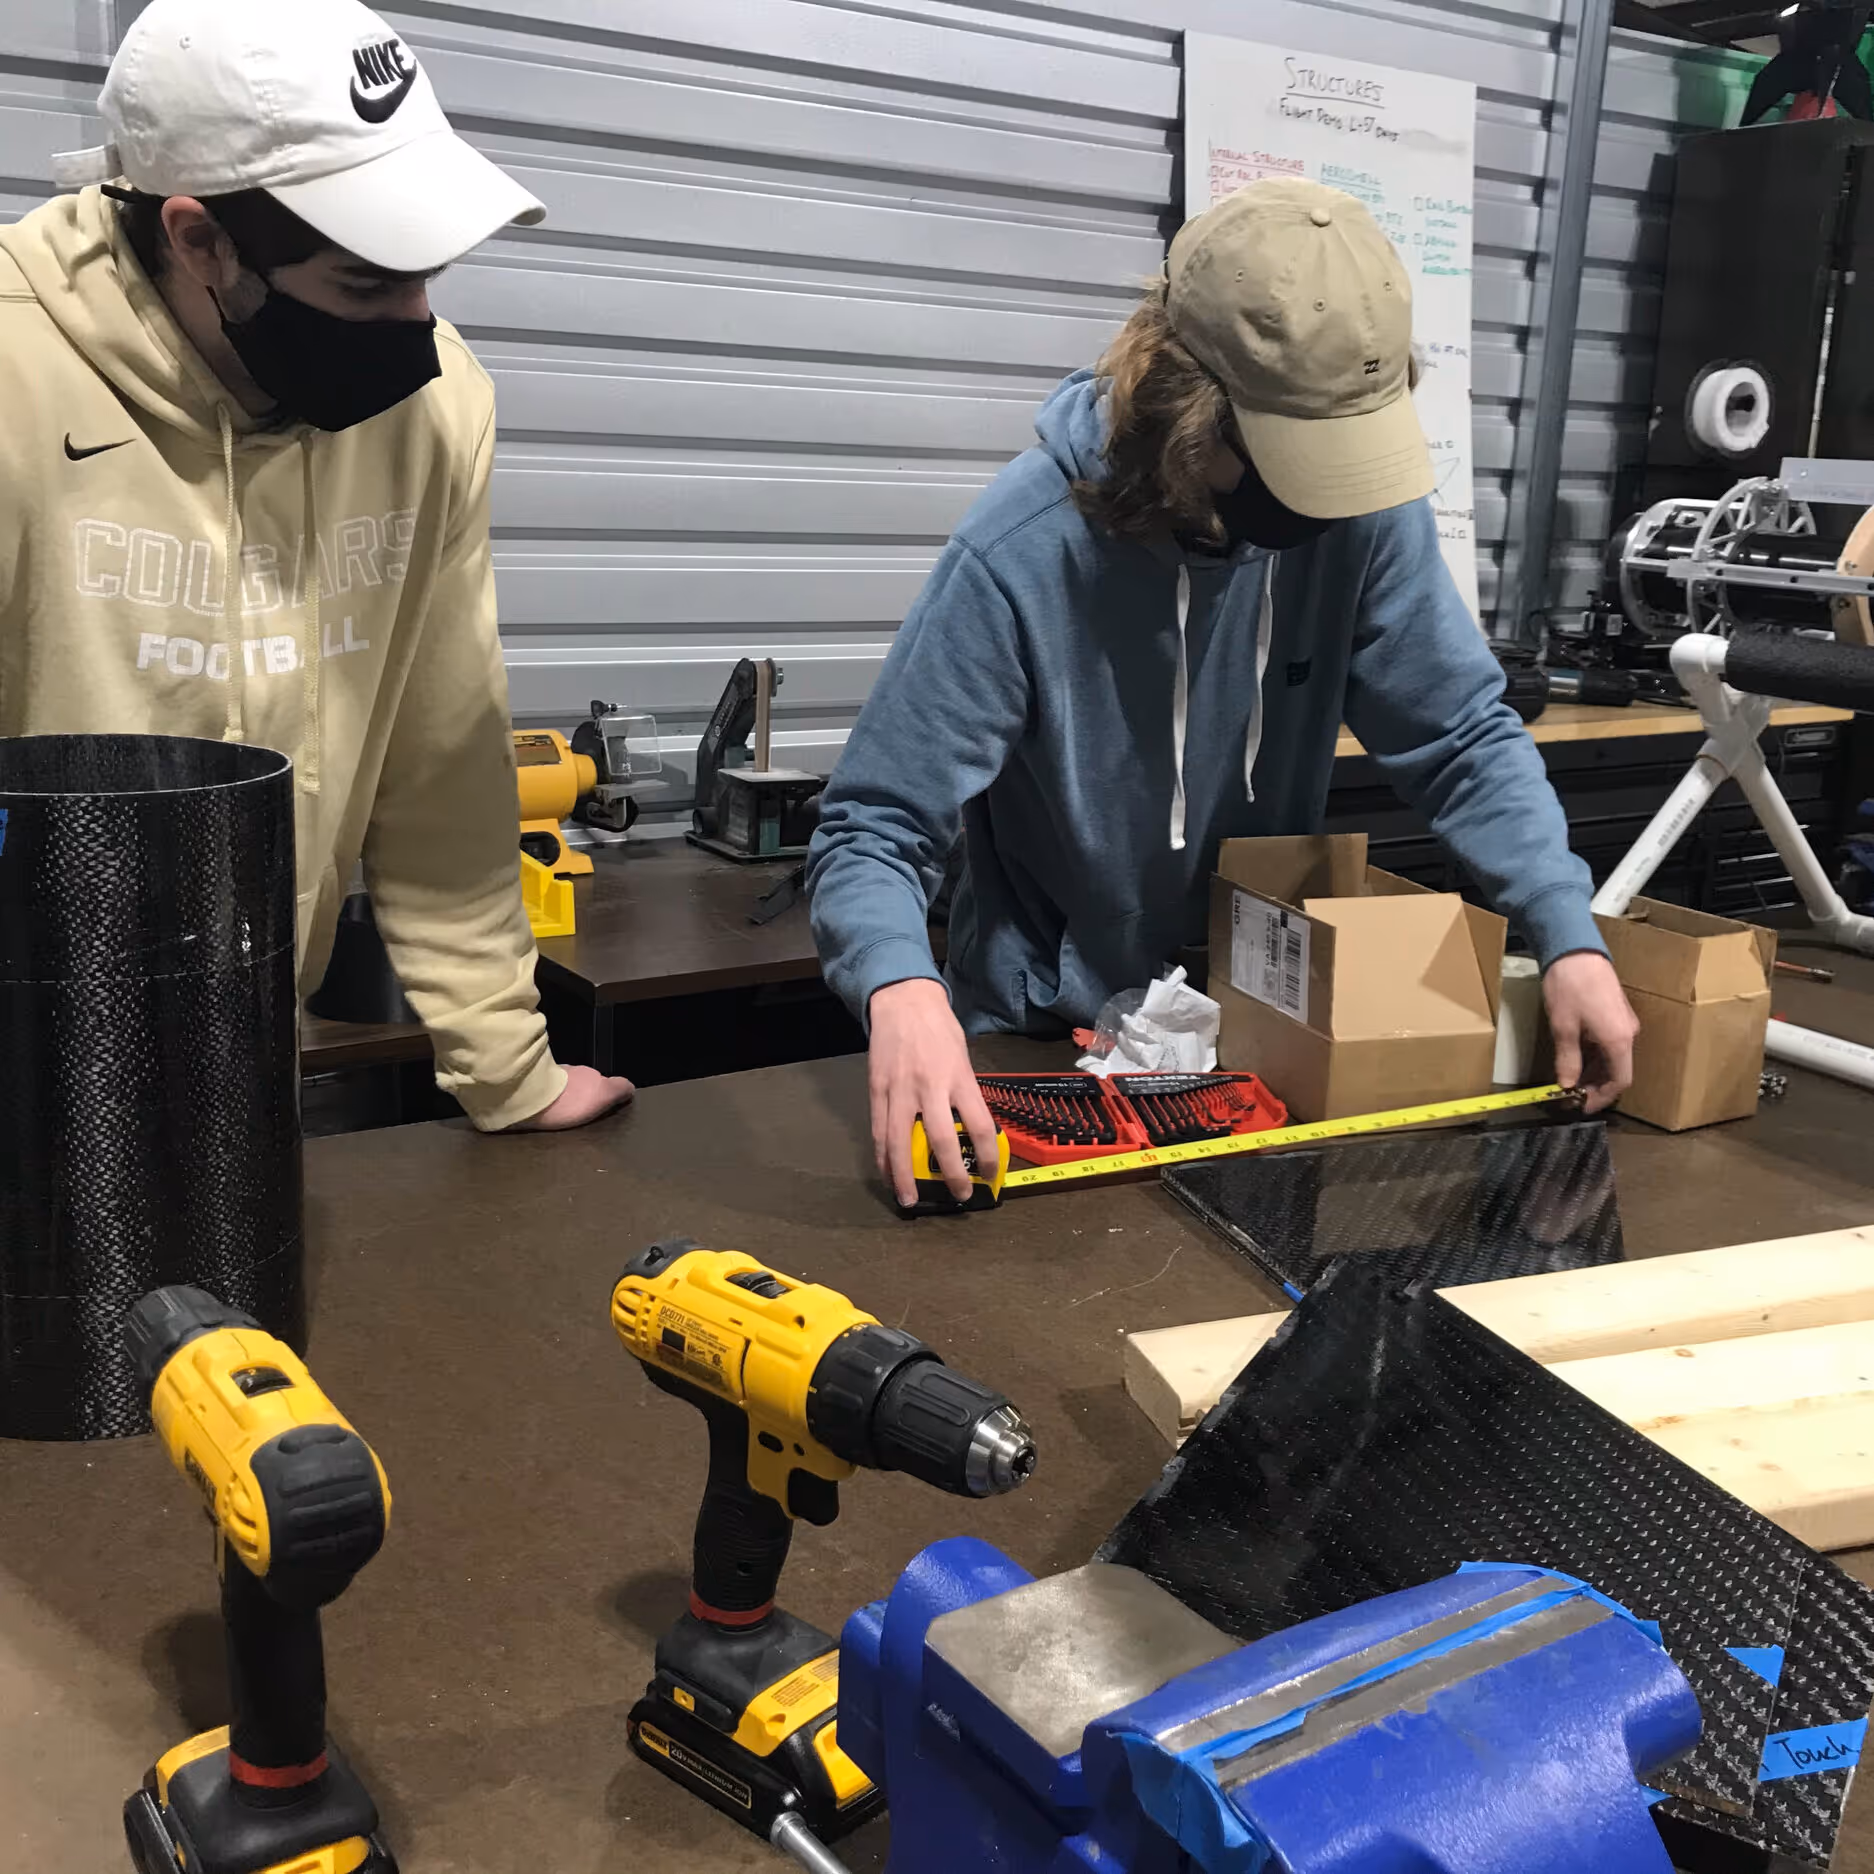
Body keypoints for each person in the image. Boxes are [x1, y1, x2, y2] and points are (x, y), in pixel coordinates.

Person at [809, 179, 1639, 1206]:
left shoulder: (1359, 521)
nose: (1315, 503)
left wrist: (1565, 932)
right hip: (1045, 1056)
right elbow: (871, 827)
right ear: (1178, 403)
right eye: (1287, 461)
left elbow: (1460, 733)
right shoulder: (1021, 552)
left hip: (1258, 1039)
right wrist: (900, 988)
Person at [0, 0, 631, 1132]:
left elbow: (440, 760)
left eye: (426, 275)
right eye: (365, 284)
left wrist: (508, 1067)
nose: (415, 324)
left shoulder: (437, 411)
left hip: (241, 1059)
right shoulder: (12, 381)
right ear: (199, 239)